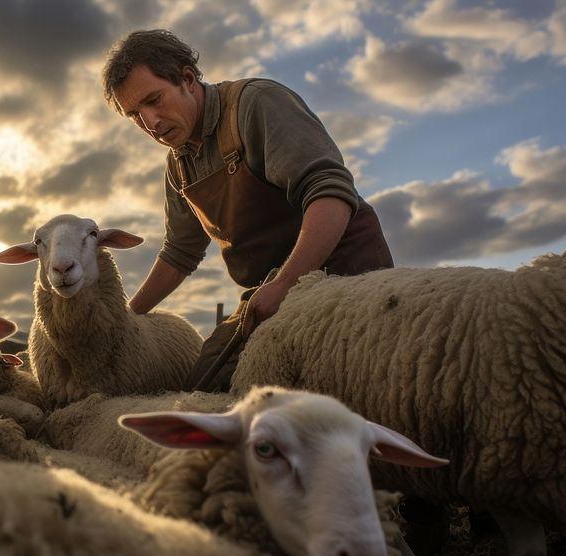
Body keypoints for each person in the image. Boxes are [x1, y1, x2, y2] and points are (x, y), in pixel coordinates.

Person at [101, 29, 394, 391]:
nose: (151, 123)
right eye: (134, 114)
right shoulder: (178, 166)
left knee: (343, 389)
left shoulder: (256, 104)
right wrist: (125, 321)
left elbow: (330, 191)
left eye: (154, 100)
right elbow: (179, 253)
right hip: (265, 290)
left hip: (346, 272)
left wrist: (287, 284)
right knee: (205, 389)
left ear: (188, 79)